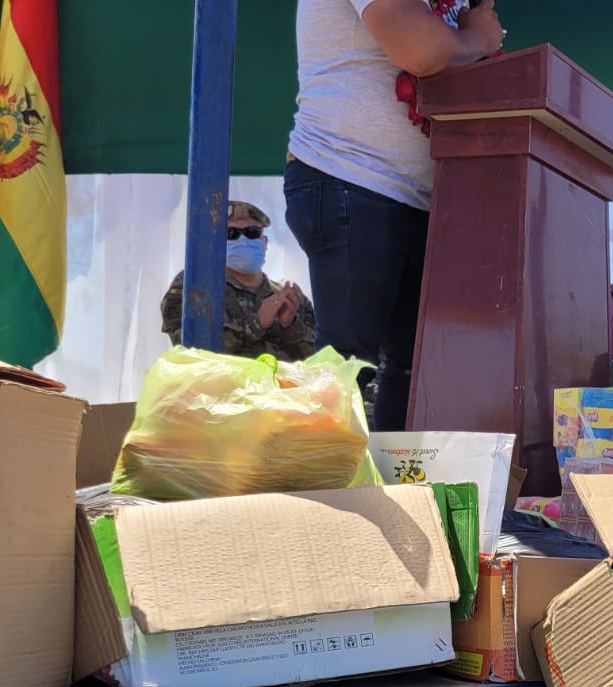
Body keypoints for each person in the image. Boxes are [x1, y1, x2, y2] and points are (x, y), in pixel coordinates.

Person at [285, 0, 505, 431]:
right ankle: (316, 493)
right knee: (348, 360)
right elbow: (420, 49)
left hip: (421, 200)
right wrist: (477, 38)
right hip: (351, 175)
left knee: (411, 370)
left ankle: (390, 493)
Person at [160, 201, 316, 361]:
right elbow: (193, 353)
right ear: (215, 242)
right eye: (231, 233)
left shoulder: (289, 299)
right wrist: (256, 325)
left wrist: (289, 325)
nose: (243, 240)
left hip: (282, 385)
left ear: (265, 242)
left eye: (252, 232)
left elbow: (320, 360)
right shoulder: (194, 285)